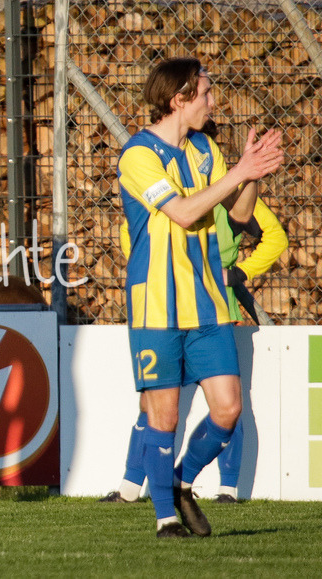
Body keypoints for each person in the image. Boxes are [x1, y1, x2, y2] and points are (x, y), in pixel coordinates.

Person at [115, 57, 284, 537]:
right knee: (163, 416)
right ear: (179, 99)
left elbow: (241, 212)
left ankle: (182, 482)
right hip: (157, 308)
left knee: (228, 408)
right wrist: (239, 172)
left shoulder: (206, 149)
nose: (214, 102)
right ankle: (166, 518)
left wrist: (251, 174)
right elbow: (185, 213)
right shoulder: (138, 156)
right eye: (206, 93)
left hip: (208, 303)